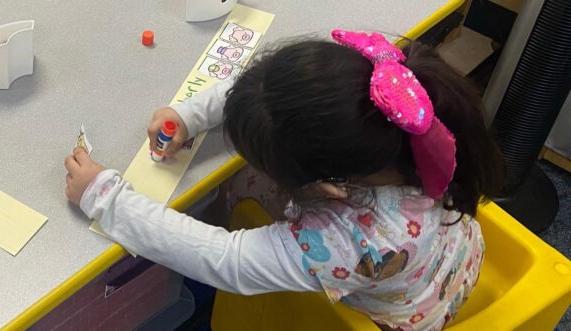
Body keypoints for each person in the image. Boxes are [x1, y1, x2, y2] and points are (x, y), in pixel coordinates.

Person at [63, 31, 505, 330]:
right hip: (454, 260)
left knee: (235, 192)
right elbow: (266, 88)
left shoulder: (347, 240)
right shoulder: (385, 98)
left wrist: (105, 197)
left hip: (406, 314)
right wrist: (189, 114)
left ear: (329, 186)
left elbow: (226, 261)